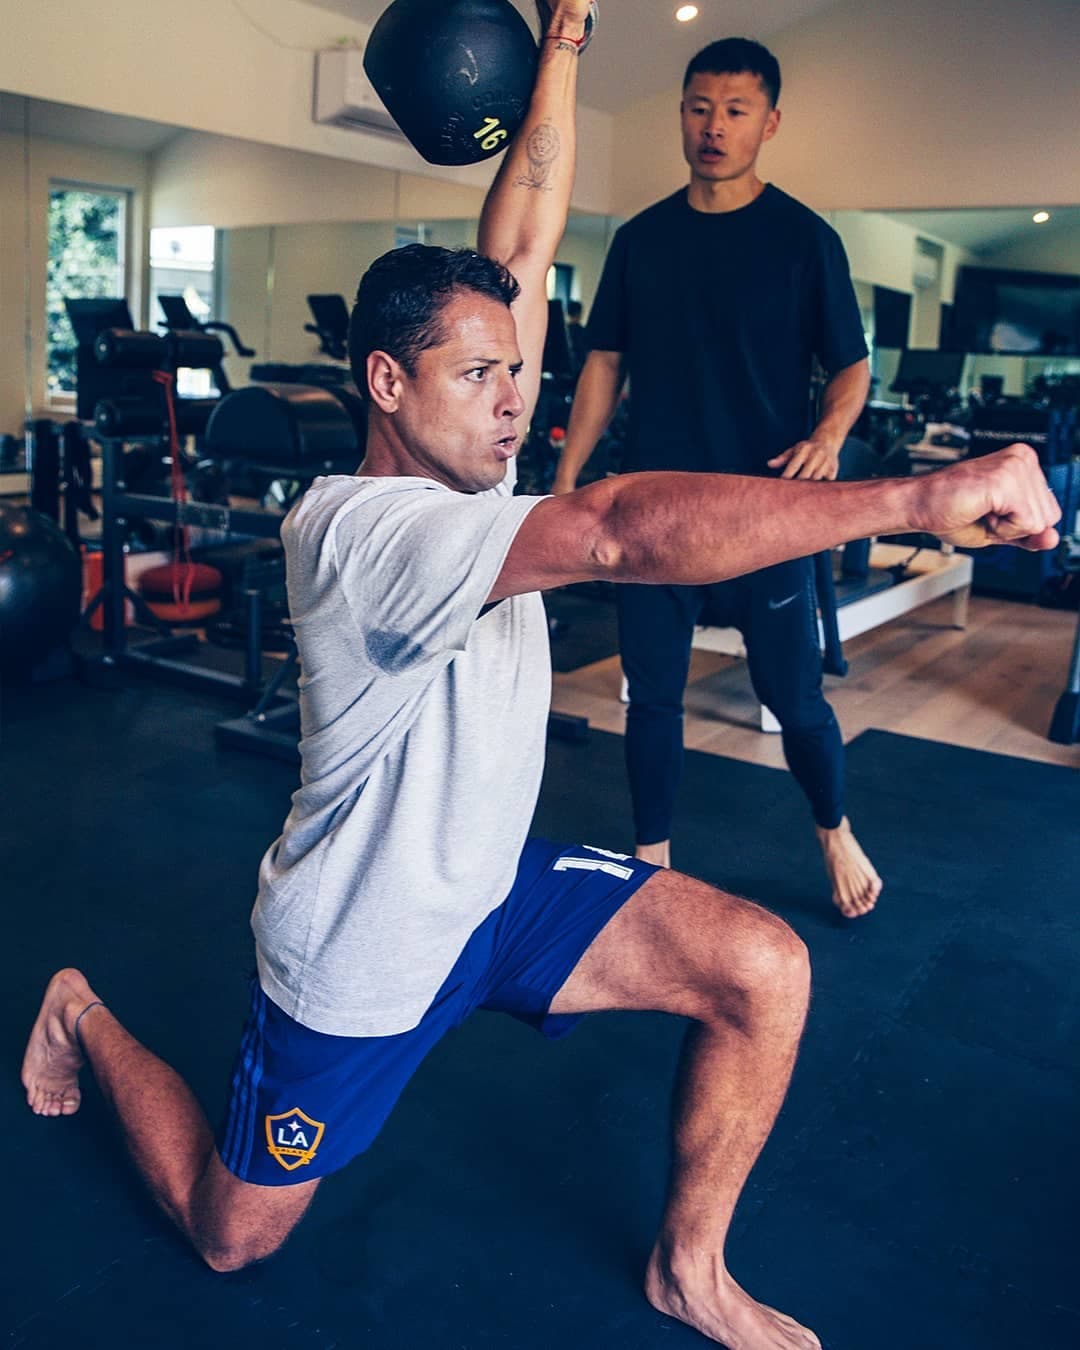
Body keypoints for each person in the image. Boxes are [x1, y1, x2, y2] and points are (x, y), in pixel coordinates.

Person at [22, 6, 1059, 1350]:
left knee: (765, 969)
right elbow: (620, 528)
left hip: (491, 892)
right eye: (480, 375)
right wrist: (914, 494)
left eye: (518, 370)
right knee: (230, 1239)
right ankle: (80, 1010)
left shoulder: (463, 448)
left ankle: (689, 1267)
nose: (515, 398)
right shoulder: (356, 533)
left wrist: (561, 42)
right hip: (364, 949)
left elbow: (515, 240)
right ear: (388, 384)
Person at [552, 38, 886, 919]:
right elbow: (603, 364)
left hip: (762, 509)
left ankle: (833, 827)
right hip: (653, 506)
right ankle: (652, 861)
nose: (714, 126)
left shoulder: (805, 240)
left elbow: (851, 366)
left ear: (769, 123)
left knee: (793, 696)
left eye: (736, 110)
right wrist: (567, 478)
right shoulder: (641, 240)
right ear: (681, 114)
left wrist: (829, 434)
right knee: (650, 694)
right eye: (700, 107)